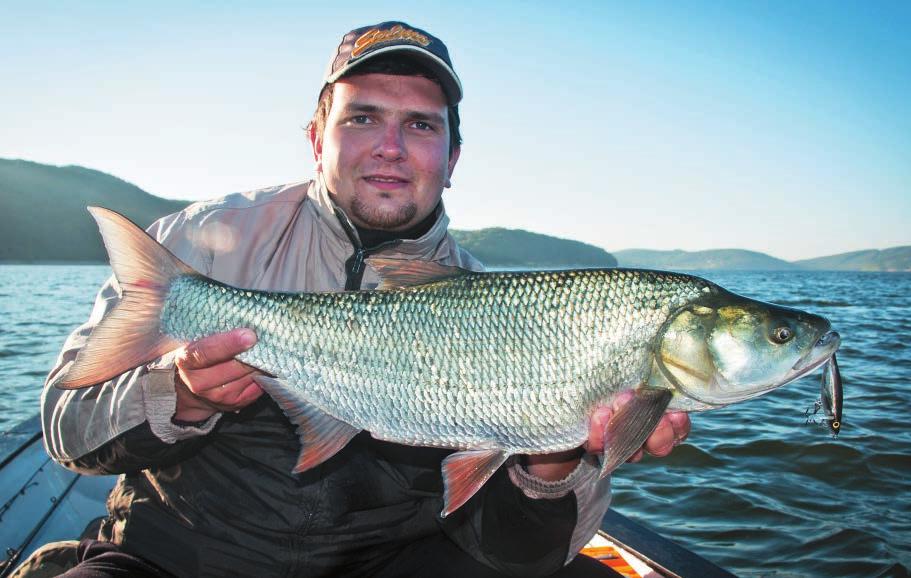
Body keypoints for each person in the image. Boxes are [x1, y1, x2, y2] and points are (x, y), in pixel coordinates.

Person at [37, 21, 690, 577]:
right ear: (317, 139)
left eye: (420, 125)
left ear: (453, 157)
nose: (390, 146)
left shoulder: (506, 312)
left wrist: (552, 454)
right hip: (178, 558)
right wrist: (177, 394)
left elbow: (520, 554)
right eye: (363, 117)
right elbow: (67, 429)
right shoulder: (202, 244)